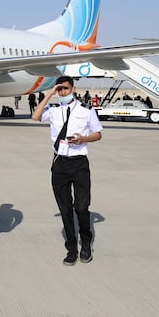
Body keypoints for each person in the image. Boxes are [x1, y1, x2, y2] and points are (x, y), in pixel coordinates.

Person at [32, 76, 103, 266]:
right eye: (60, 89)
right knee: (65, 209)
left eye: (66, 89)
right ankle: (71, 248)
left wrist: (83, 139)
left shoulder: (86, 110)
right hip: (59, 164)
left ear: (73, 88)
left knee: (81, 207)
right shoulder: (53, 110)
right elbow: (35, 116)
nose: (63, 92)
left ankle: (86, 243)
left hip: (79, 163)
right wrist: (49, 94)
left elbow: (98, 134)